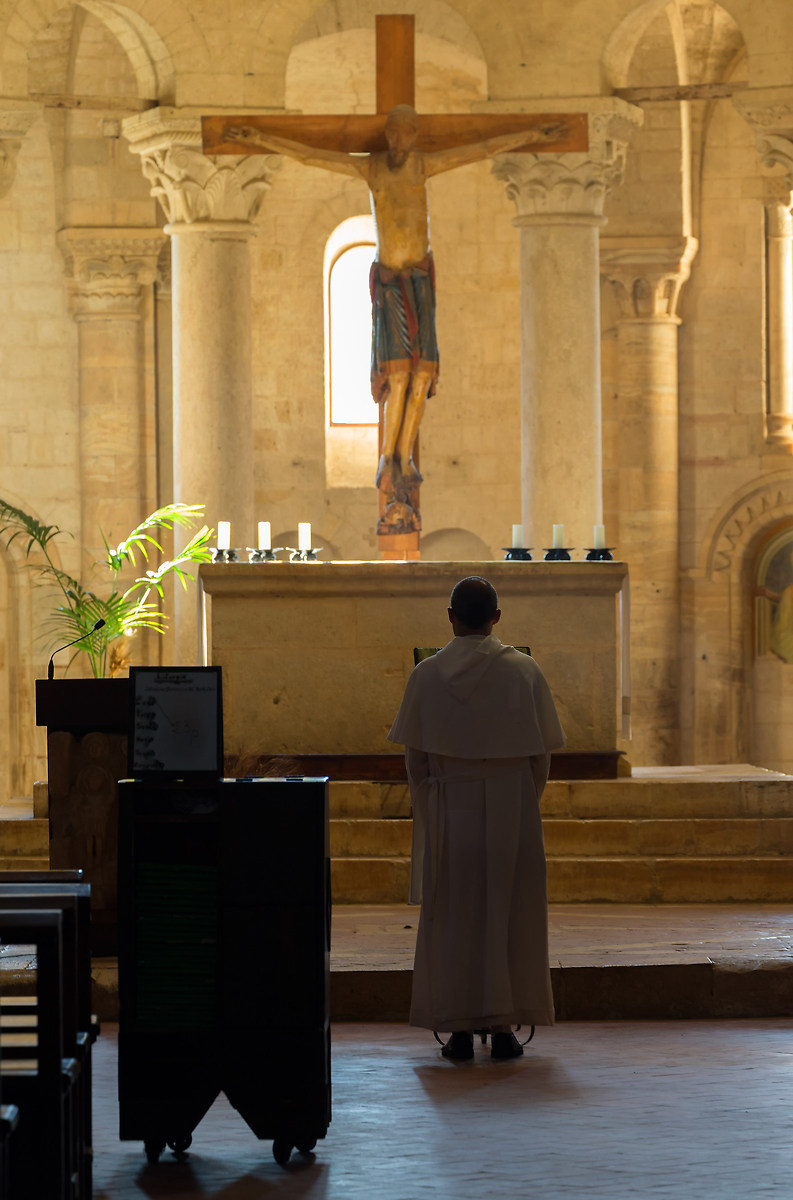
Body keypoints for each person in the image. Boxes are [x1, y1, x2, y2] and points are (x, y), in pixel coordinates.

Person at [223, 107, 567, 495]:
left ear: (414, 135)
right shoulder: (372, 167)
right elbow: (311, 155)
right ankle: (387, 459)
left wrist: (532, 136)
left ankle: (406, 458)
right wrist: (260, 139)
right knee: (399, 377)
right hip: (391, 283)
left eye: (406, 133)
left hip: (420, 283)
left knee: (423, 377)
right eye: (394, 132)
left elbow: (482, 149)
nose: (399, 140)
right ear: (387, 133)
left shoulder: (423, 165)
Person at [388, 576, 565, 1060]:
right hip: (512, 805)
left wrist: (435, 802)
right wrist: (520, 800)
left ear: (450, 617)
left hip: (451, 804)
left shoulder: (426, 675)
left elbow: (416, 761)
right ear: (496, 617)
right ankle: (504, 1028)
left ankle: (459, 1030)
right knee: (509, 913)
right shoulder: (524, 671)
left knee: (455, 916)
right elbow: (541, 758)